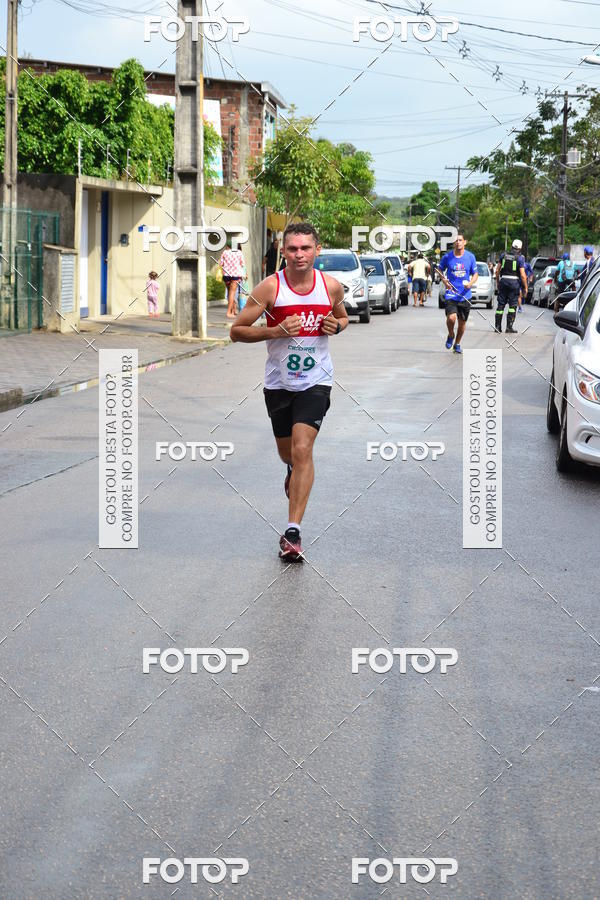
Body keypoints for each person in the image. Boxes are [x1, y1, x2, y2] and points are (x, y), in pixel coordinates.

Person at [230, 222, 347, 562]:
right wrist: (275, 331)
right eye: (293, 249)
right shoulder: (269, 289)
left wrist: (336, 326)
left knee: (302, 449)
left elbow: (342, 318)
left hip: (316, 381)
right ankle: (292, 473)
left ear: (317, 250)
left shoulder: (331, 287)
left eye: (306, 248)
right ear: (283, 251)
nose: (299, 255)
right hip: (279, 383)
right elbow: (237, 331)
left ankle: (292, 531)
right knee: (288, 456)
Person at [438, 232, 478, 354]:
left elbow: (475, 274)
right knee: (451, 318)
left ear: (464, 242)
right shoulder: (447, 257)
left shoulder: (470, 257)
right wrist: (444, 281)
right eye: (456, 240)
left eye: (460, 240)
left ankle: (457, 343)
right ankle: (451, 334)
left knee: (462, 323)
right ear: (454, 243)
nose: (458, 242)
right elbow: (439, 270)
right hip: (451, 293)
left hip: (465, 295)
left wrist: (470, 284)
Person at [495, 240, 527, 333]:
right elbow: (523, 275)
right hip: (514, 283)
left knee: (500, 305)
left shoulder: (503, 255)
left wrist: (498, 282)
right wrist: (525, 287)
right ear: (520, 248)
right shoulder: (520, 258)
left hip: (503, 281)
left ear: (512, 246)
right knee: (512, 306)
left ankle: (497, 327)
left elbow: (497, 271)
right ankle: (509, 327)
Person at [219, 244, 247, 319]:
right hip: (235, 275)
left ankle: (233, 310)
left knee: (229, 293)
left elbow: (221, 264)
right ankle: (229, 312)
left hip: (226, 275)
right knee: (232, 293)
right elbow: (242, 264)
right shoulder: (239, 253)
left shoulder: (225, 252)